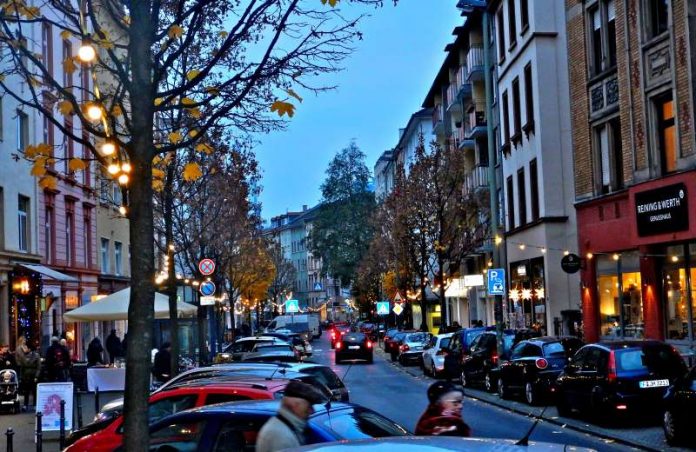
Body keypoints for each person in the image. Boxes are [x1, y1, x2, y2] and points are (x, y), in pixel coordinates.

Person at [256, 380, 327, 452]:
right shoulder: (281, 435)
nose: (312, 411)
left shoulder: (286, 427)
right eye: (309, 406)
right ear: (295, 405)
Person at [15, 336, 40, 409]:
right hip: (25, 374)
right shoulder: (20, 351)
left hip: (33, 374)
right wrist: (21, 376)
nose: (25, 349)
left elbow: (38, 367)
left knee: (34, 390)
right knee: (26, 390)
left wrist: (36, 376)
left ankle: (34, 404)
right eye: (23, 340)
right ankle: (25, 404)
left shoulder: (35, 355)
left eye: (27, 348)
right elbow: (20, 363)